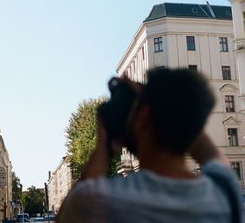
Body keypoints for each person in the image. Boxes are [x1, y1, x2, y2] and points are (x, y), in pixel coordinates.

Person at [57, 68, 243, 223]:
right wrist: (171, 108)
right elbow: (209, 152)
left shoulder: (99, 202)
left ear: (144, 115)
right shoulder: (225, 192)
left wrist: (104, 146)